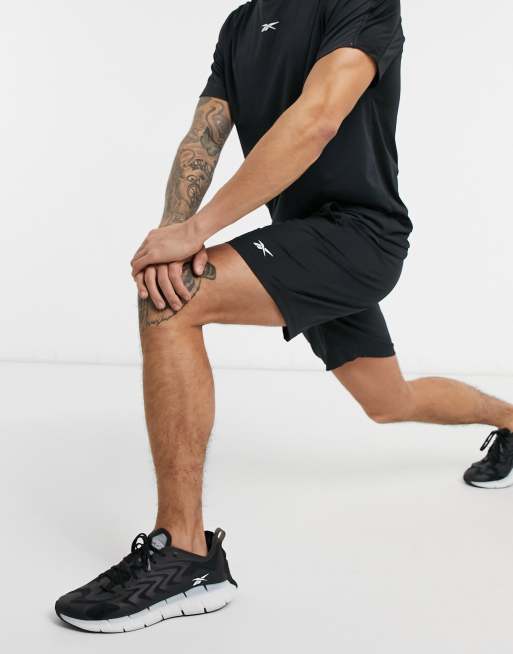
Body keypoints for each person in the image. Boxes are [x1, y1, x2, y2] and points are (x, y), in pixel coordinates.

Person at [55, 0, 513, 633]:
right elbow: (202, 138)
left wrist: (195, 233)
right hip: (302, 238)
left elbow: (317, 119)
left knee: (171, 301)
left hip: (359, 237)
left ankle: (185, 554)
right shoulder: (240, 25)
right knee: (389, 400)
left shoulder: (360, 4)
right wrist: (172, 233)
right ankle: (512, 419)